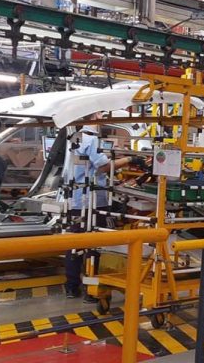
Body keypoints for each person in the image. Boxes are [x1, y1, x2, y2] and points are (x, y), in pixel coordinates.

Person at [62, 112, 147, 299]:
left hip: (78, 199)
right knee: (96, 245)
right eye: (101, 113)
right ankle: (91, 288)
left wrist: (118, 157)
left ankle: (72, 286)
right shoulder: (91, 138)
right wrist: (130, 160)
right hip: (92, 200)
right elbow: (103, 167)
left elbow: (94, 165)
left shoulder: (76, 136)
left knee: (75, 244)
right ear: (95, 116)